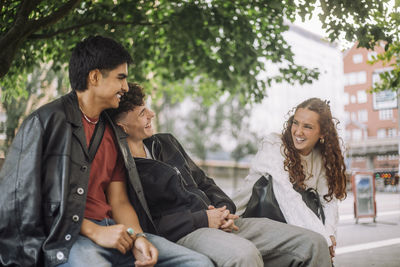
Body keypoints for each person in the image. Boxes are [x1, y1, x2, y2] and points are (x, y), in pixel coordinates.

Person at [0, 36, 212, 267]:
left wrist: (138, 237)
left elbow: (119, 201)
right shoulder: (44, 122)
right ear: (95, 77)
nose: (126, 87)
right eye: (121, 78)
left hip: (117, 234)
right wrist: (93, 231)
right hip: (67, 239)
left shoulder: (112, 132)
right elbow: (21, 201)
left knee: (197, 263)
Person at [109, 83, 332, 267]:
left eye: (146, 107)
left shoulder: (165, 142)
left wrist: (224, 209)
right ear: (123, 126)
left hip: (224, 221)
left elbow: (204, 182)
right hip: (188, 233)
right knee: (244, 255)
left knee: (313, 243)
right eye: (141, 113)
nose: (151, 113)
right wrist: (204, 219)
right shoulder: (125, 168)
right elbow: (149, 223)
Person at [233, 98, 347, 260]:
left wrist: (329, 233)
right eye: (296, 123)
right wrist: (323, 239)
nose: (298, 132)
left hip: (288, 225)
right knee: (315, 249)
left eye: (307, 126)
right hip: (247, 218)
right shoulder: (274, 145)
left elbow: (328, 201)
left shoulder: (321, 158)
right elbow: (287, 197)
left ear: (322, 133)